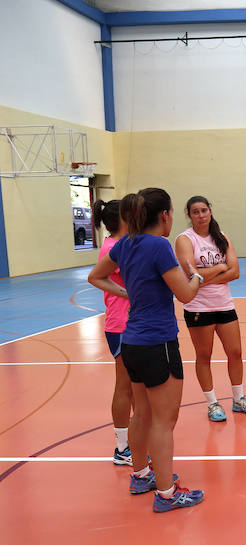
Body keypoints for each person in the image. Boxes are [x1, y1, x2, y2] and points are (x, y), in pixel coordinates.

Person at [88, 187, 204, 513]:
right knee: (164, 421)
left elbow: (95, 276)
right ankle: (167, 493)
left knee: (142, 413)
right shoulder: (158, 245)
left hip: (132, 342)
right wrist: (194, 274)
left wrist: (127, 294)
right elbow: (186, 295)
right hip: (158, 343)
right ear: (165, 215)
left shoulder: (125, 244)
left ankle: (140, 475)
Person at [175, 196, 246, 422]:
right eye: (195, 212)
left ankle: (239, 399)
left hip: (224, 304)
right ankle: (212, 403)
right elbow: (190, 274)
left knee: (236, 353)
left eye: (204, 210)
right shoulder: (184, 240)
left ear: (210, 211)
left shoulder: (222, 237)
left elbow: (235, 272)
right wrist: (219, 268)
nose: (201, 215)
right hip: (198, 307)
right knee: (204, 356)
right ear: (189, 215)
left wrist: (204, 278)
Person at [91, 199, 133, 466]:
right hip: (121, 325)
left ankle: (134, 441)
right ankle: (122, 448)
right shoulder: (114, 248)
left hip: (130, 323)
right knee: (125, 387)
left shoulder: (121, 244)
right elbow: (101, 278)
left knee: (136, 386)